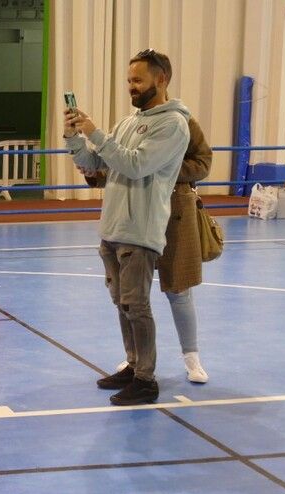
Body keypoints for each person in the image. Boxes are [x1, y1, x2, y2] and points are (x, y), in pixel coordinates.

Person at [63, 48, 191, 406]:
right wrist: (74, 138)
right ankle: (133, 365)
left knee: (137, 305)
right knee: (122, 303)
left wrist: (97, 133)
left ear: (160, 79)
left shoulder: (173, 124)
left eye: (138, 80)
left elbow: (136, 165)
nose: (131, 86)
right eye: (129, 80)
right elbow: (98, 164)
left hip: (140, 230)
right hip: (113, 228)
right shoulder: (126, 123)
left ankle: (146, 380)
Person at [84, 117, 213, 384]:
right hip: (136, 212)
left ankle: (192, 357)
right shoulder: (131, 123)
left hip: (176, 212)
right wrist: (95, 173)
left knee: (179, 288)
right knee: (129, 293)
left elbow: (203, 163)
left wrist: (162, 166)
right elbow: (123, 162)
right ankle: (135, 359)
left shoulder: (181, 122)